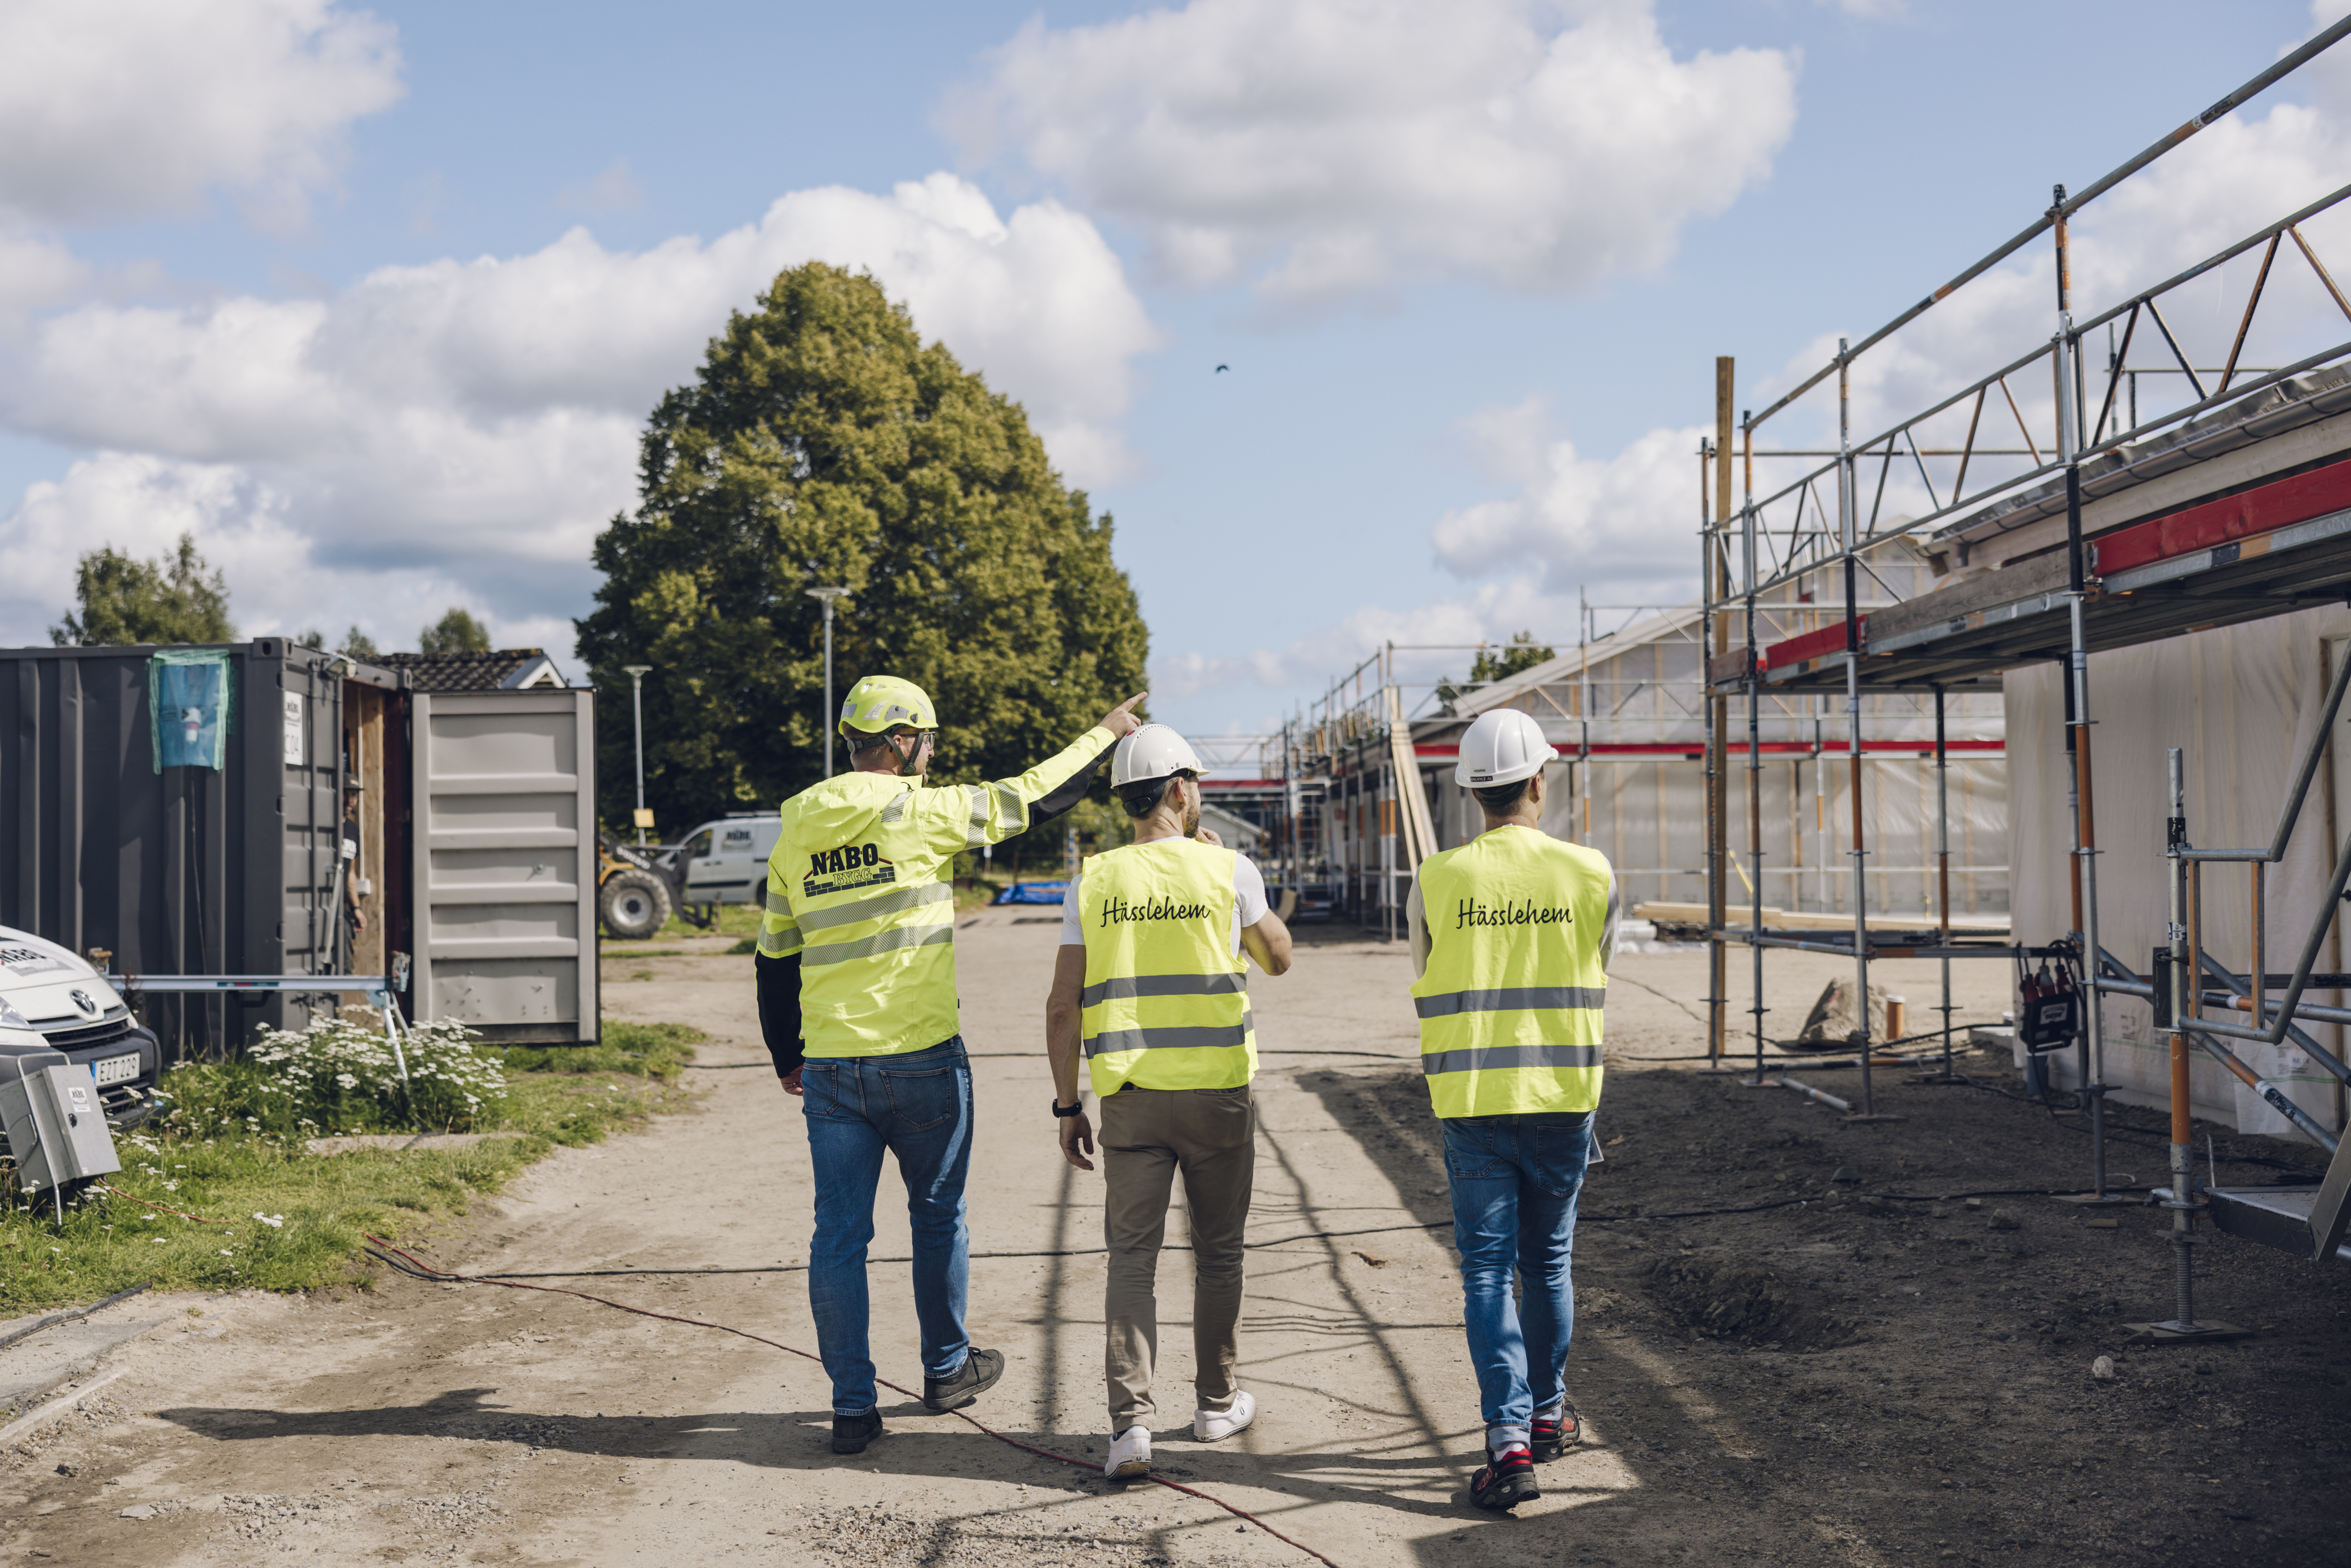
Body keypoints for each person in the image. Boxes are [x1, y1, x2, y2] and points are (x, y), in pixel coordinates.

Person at [756, 675, 1146, 1455]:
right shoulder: (919, 811)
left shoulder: (796, 827)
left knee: (838, 1236)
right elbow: (1035, 797)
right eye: (927, 742)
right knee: (937, 1217)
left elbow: (774, 955)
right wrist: (1106, 733)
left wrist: (786, 1056)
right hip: (923, 1060)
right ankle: (946, 1370)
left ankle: (851, 1407)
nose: (932, 758)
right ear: (901, 742)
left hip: (833, 1066)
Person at [1043, 723, 1292, 1480]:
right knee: (1217, 1255)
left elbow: (1062, 1005)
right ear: (1180, 790)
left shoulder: (1093, 881)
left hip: (1131, 1101)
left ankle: (1130, 1429)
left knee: (1132, 1260)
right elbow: (1279, 959)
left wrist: (1066, 1105)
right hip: (1217, 1095)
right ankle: (1216, 1405)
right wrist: (1228, 877)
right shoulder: (1229, 871)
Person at [1404, 707, 1617, 1512]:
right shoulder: (1591, 871)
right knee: (1549, 1263)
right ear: (1538, 781)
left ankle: (1510, 1441)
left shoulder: (1436, 877)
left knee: (1489, 1270)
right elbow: (1600, 961)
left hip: (1474, 1099)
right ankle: (1551, 1412)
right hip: (1564, 1096)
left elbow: (1423, 971)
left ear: (1470, 795)